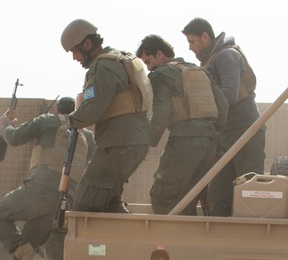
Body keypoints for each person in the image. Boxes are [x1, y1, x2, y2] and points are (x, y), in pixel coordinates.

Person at [0, 97, 97, 260]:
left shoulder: (48, 121)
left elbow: (15, 137)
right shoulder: (88, 137)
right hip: (66, 206)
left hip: (42, 191)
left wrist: (5, 124)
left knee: (3, 220)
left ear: (58, 110)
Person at [60, 19, 152, 213]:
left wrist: (70, 120)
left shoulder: (102, 67)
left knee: (84, 204)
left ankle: (94, 245)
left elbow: (92, 110)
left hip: (118, 145)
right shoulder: (121, 59)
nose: (75, 58)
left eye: (75, 51)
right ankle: (127, 242)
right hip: (136, 142)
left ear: (87, 44)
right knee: (110, 203)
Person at [181, 18, 266, 217]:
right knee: (219, 194)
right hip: (225, 134)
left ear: (205, 36)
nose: (191, 48)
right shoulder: (213, 59)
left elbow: (229, 94)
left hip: (245, 132)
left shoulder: (227, 56)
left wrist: (199, 106)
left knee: (249, 194)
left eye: (193, 42)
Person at [135, 34, 228, 215]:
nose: (148, 68)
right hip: (209, 145)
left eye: (148, 61)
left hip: (184, 144)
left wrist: (147, 142)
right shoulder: (199, 71)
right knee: (186, 201)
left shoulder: (161, 74)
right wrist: (214, 133)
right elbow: (222, 104)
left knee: (163, 196)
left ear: (160, 55)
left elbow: (161, 114)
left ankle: (167, 243)